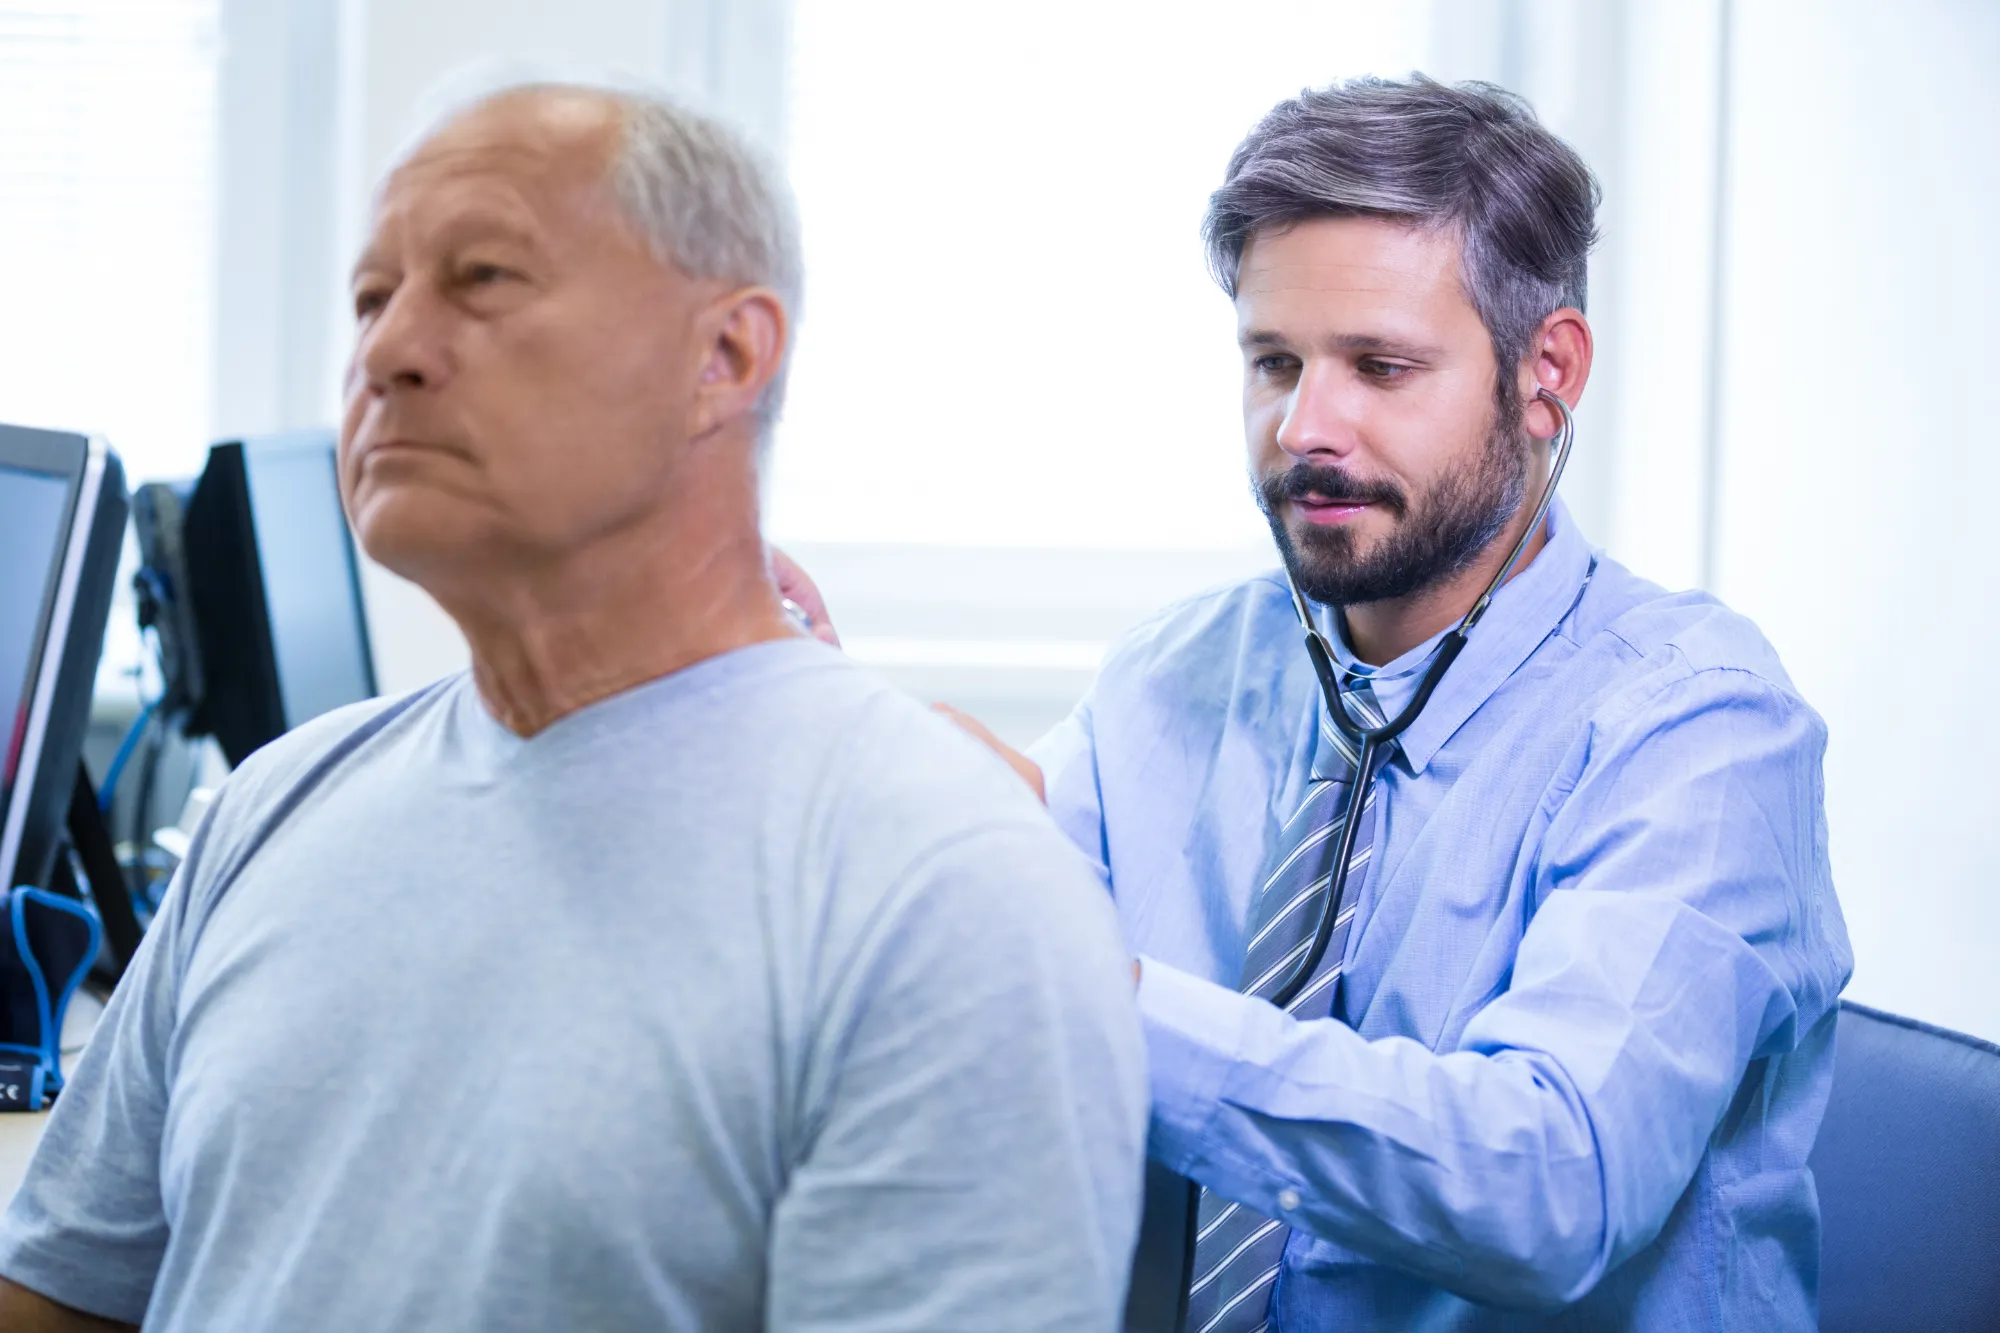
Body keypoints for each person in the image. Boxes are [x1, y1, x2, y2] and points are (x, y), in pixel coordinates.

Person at [0, 83, 1147, 1332]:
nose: (387, 351)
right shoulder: (280, 801)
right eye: (371, 299)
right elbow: (65, 1294)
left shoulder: (945, 889)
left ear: (726, 356)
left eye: (481, 277)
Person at [784, 76, 1853, 1328]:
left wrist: (1084, 984)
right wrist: (807, 724)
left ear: (1544, 370)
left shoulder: (1699, 732)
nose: (1304, 426)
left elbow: (1551, 1187)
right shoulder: (1180, 675)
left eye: (1379, 367)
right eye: (1272, 361)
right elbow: (989, 921)